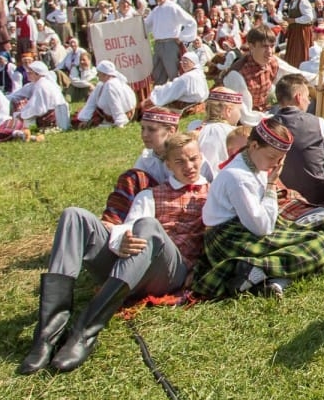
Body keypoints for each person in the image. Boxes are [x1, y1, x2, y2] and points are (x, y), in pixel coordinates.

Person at [18, 132, 209, 374]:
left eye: (193, 159)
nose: (189, 166)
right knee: (74, 215)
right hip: (131, 266)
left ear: (201, 157)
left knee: (149, 226)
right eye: (180, 162)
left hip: (172, 271)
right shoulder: (149, 195)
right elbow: (127, 226)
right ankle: (47, 334)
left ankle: (84, 331)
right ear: (168, 164)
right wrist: (121, 242)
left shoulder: (212, 193)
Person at [193, 118, 324, 299]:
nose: (276, 164)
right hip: (230, 238)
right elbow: (262, 227)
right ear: (253, 146)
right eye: (271, 157)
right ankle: (259, 269)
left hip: (245, 229)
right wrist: (270, 185)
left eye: (280, 159)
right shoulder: (238, 177)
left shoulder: (251, 162)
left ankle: (269, 279)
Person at [272, 74, 324, 206]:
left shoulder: (267, 125)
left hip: (282, 192)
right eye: (308, 97)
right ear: (298, 97)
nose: (309, 101)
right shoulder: (317, 122)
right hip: (318, 194)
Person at [144, 0, 193, 85]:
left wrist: (181, 37)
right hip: (158, 45)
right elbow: (145, 25)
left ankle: (178, 97)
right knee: (158, 74)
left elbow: (191, 22)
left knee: (173, 74)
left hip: (170, 44)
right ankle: (161, 98)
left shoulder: (173, 8)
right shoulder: (156, 10)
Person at [72, 60, 136, 128]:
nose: (97, 75)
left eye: (99, 73)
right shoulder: (102, 84)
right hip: (108, 115)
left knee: (90, 121)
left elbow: (115, 105)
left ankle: (107, 124)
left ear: (105, 74)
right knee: (77, 119)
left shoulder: (111, 85)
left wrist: (120, 122)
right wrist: (84, 119)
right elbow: (91, 102)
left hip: (123, 115)